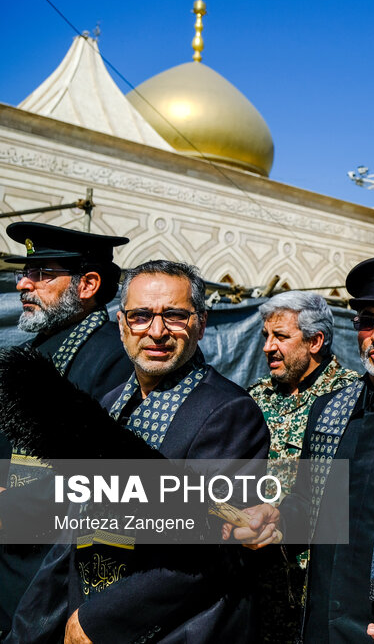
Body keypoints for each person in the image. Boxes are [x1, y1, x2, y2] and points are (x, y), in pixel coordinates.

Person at [9, 259, 270, 643]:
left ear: (201, 324)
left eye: (176, 316)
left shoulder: (229, 413)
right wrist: (35, 622)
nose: (157, 331)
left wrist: (99, 619)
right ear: (121, 324)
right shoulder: (111, 403)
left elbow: (210, 548)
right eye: (142, 316)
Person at [229, 257, 374, 643]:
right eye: (367, 322)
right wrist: (276, 519)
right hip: (319, 623)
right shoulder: (329, 409)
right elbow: (308, 503)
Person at [0, 222, 133, 637]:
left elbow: (108, 474)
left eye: (41, 273)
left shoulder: (116, 358)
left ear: (88, 283)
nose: (23, 283)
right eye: (26, 272)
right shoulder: (34, 348)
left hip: (50, 574)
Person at [247, 291, 359, 643]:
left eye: (280, 337)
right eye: (266, 336)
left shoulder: (351, 398)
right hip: (259, 572)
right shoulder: (255, 398)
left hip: (319, 582)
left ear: (315, 341)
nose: (268, 347)